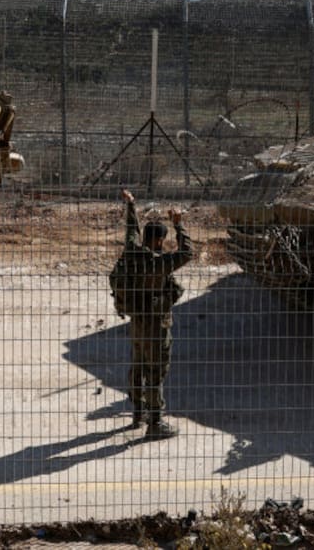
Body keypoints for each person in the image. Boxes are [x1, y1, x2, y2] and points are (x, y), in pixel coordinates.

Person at [108, 188, 193, 440]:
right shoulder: (159, 263)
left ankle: (138, 412)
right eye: (164, 240)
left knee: (138, 365)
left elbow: (130, 231)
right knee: (155, 371)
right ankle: (156, 422)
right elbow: (187, 252)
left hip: (137, 322)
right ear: (158, 241)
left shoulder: (132, 253)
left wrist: (131, 205)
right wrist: (179, 225)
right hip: (156, 324)